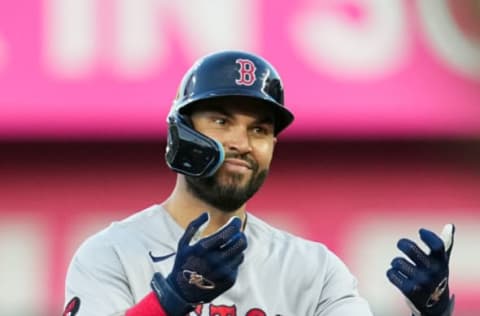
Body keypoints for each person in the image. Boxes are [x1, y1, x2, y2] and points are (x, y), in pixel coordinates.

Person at [63, 50, 455, 316]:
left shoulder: (312, 270)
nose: (241, 143)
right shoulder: (111, 254)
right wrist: (170, 300)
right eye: (220, 121)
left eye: (260, 130)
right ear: (181, 133)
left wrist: (433, 312)